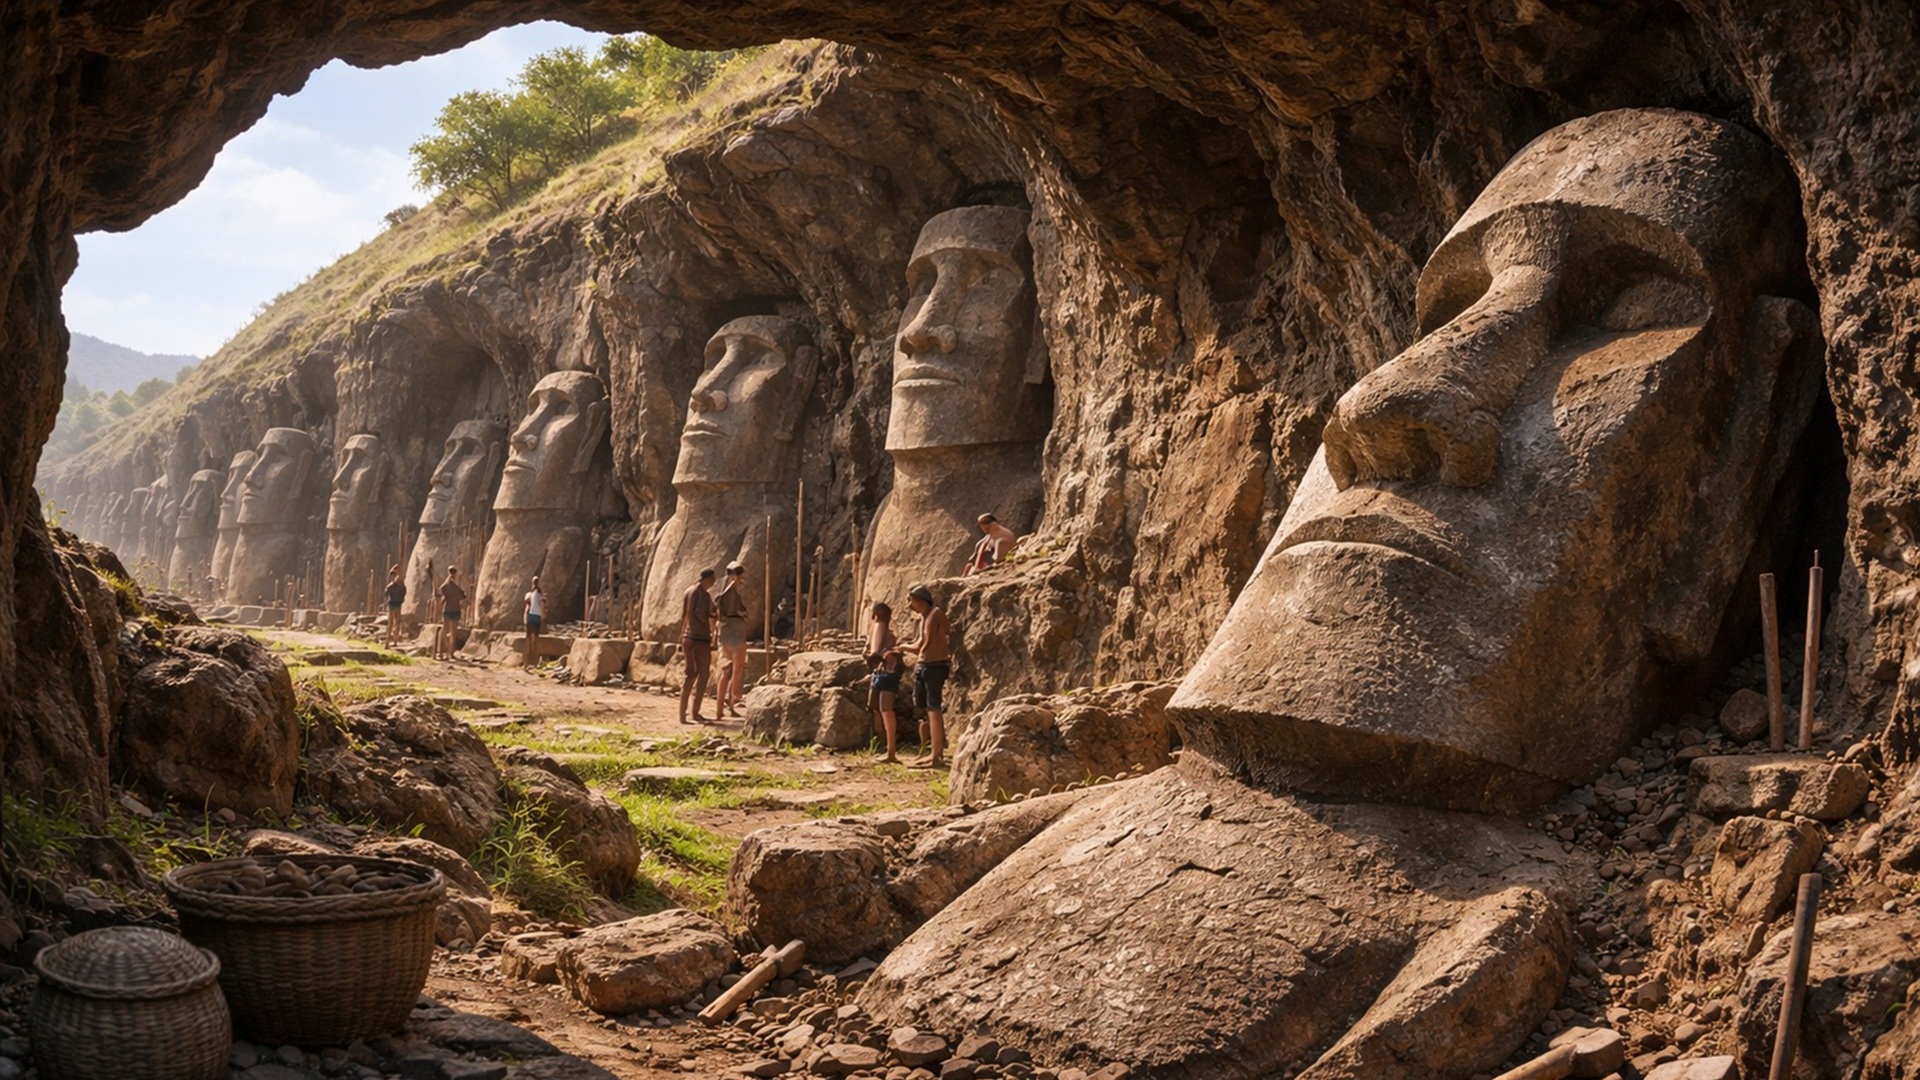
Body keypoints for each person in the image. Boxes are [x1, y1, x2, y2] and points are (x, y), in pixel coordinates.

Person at [902, 585, 951, 768]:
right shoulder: (924, 617)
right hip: (924, 665)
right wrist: (904, 646)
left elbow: (923, 645)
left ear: (919, 599)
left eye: (911, 600)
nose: (909, 605)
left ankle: (936, 755)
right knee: (924, 708)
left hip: (934, 666)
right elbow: (919, 643)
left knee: (933, 708)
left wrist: (904, 648)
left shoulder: (934, 615)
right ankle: (932, 748)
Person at [679, 568, 717, 725]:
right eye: (713, 580)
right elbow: (699, 614)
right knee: (699, 674)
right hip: (698, 638)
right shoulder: (700, 593)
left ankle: (687, 714)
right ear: (708, 579)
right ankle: (692, 713)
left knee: (693, 674)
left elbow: (684, 615)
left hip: (689, 637)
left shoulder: (689, 591)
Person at [865, 602, 902, 763]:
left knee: (886, 709)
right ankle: (884, 744)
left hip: (888, 673)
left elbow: (876, 653)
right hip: (880, 673)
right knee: (877, 708)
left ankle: (891, 750)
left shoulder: (883, 630)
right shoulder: (876, 630)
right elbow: (871, 653)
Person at [712, 562, 750, 718]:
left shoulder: (734, 593)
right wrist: (732, 582)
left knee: (737, 669)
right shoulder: (725, 591)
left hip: (737, 631)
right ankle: (720, 707)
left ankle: (730, 705)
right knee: (727, 670)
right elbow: (719, 601)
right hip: (729, 632)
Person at [436, 566, 467, 660]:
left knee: (452, 633)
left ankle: (449, 653)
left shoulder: (456, 587)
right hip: (449, 610)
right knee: (446, 631)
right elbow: (441, 589)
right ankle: (441, 652)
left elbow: (463, 596)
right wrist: (449, 579)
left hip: (454, 610)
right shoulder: (448, 586)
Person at [523, 575, 545, 662]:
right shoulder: (540, 594)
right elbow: (543, 605)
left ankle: (528, 655)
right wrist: (543, 615)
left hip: (531, 615)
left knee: (528, 636)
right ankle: (535, 655)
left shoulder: (529, 594)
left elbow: (527, 606)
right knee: (535, 637)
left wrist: (525, 618)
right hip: (538, 616)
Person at [383, 564, 406, 645]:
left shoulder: (397, 585)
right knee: (392, 623)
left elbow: (386, 593)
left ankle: (393, 640)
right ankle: (389, 640)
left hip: (396, 604)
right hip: (394, 604)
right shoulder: (394, 586)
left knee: (395, 623)